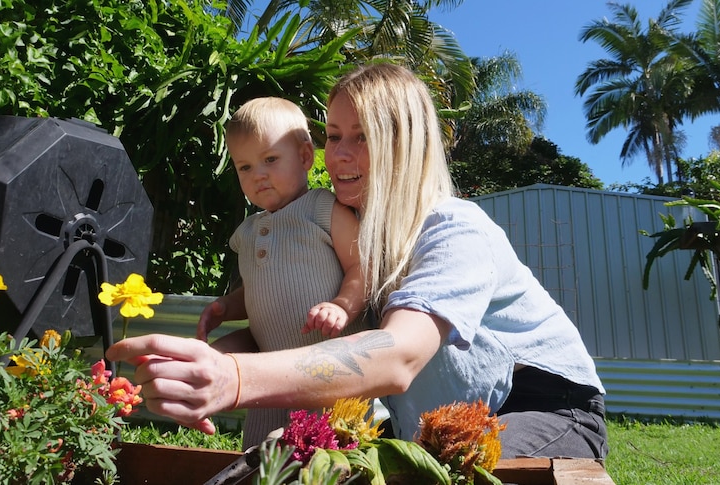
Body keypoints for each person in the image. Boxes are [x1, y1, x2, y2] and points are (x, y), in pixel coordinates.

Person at [107, 63, 608, 460]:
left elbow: (397, 355)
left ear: (404, 144)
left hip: (543, 409)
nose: (338, 155)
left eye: (362, 136)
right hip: (431, 431)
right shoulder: (341, 235)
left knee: (447, 467)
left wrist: (234, 379)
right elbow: (283, 333)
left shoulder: (454, 227)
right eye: (332, 135)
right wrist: (206, 360)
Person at [196, 97, 368, 448]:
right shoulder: (247, 231)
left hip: (331, 376)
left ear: (305, 157)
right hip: (269, 378)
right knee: (261, 457)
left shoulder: (323, 208)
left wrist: (342, 305)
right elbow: (257, 288)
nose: (257, 175)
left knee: (331, 461)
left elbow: (361, 267)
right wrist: (227, 307)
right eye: (244, 167)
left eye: (270, 160)